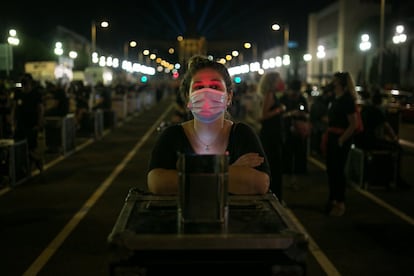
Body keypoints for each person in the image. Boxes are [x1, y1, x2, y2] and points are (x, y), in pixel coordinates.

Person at [147, 55, 270, 195]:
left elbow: (260, 183)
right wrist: (228, 170)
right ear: (188, 98)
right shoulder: (172, 135)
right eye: (198, 87)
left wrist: (186, 171)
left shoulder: (242, 134)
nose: (206, 92)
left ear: (228, 97)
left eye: (214, 86)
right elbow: (157, 183)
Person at [325, 71, 358, 216]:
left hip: (340, 139)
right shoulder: (335, 98)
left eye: (335, 81)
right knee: (331, 171)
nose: (333, 83)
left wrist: (341, 140)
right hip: (332, 137)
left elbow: (353, 124)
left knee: (338, 172)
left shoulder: (347, 100)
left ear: (341, 84)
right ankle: (332, 200)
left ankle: (340, 203)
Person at [257, 71, 286, 202]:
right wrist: (279, 110)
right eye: (278, 80)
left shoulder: (272, 94)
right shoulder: (269, 94)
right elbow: (263, 116)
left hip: (274, 134)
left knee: (276, 165)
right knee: (274, 165)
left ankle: (276, 195)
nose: (281, 82)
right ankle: (275, 196)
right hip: (271, 136)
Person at [280, 79, 310, 185]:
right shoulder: (283, 99)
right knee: (287, 152)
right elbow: (280, 115)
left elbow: (307, 113)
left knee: (300, 152)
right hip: (287, 129)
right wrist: (291, 113)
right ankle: (287, 173)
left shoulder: (302, 99)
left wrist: (302, 114)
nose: (294, 94)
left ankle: (298, 173)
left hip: (299, 130)